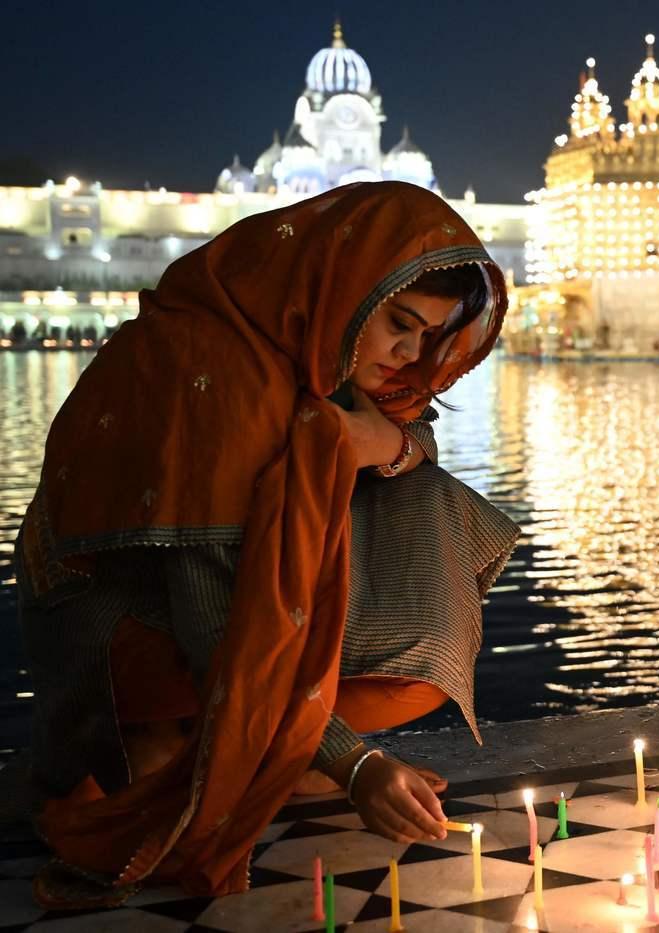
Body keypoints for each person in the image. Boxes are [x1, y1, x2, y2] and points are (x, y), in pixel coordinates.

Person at [15, 182, 519, 905]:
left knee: (420, 509)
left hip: (215, 602)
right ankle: (174, 736)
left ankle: (263, 748)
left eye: (428, 338)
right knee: (158, 809)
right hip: (117, 618)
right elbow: (216, 624)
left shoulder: (315, 349)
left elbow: (413, 439)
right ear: (343, 285)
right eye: (400, 324)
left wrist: (387, 443)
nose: (410, 355)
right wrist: (354, 762)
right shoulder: (215, 371)